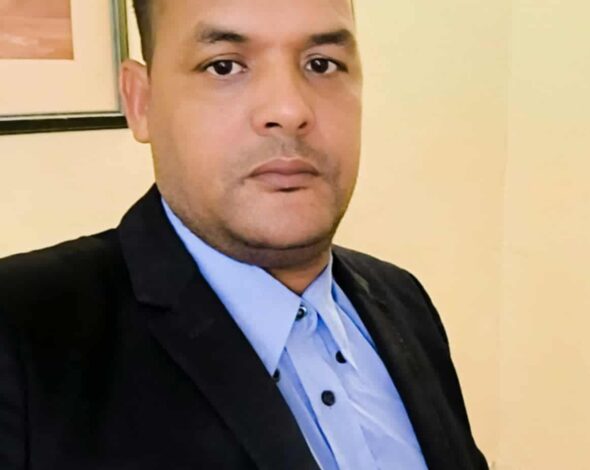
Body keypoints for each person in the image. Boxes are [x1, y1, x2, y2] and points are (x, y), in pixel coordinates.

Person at [0, 0, 487, 468]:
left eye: (321, 64)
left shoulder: (403, 301)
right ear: (141, 100)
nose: (289, 109)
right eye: (224, 66)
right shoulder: (24, 335)